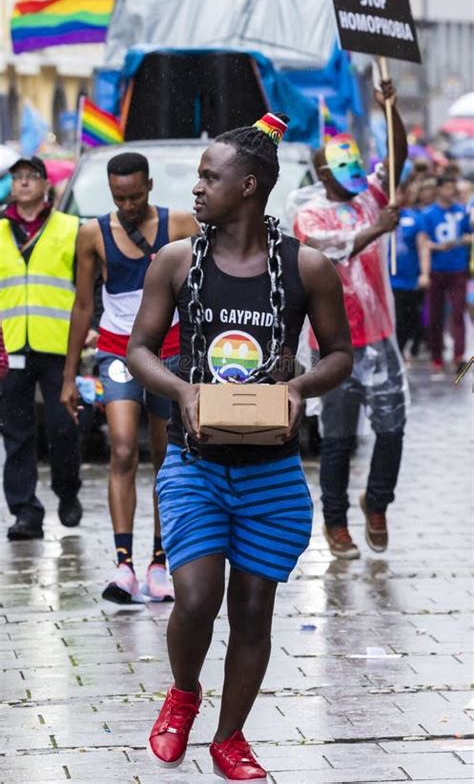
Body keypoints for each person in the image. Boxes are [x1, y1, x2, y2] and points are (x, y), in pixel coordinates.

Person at [127, 113, 353, 781]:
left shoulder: (305, 266)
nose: (195, 189)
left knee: (254, 606)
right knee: (196, 597)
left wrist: (300, 387)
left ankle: (231, 738)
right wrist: (182, 390)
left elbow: (341, 354)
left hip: (272, 473)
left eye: (208, 177)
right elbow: (139, 349)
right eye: (198, 177)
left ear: (249, 186)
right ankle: (184, 694)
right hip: (196, 465)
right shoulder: (175, 261)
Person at [61, 152, 199, 607]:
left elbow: (203, 291)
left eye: (136, 196)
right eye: (119, 197)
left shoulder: (180, 225)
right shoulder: (92, 234)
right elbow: (83, 305)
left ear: (151, 186)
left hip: (170, 352)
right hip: (118, 350)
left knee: (165, 457)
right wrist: (69, 376)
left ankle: (160, 562)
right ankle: (124, 565)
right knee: (122, 448)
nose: (128, 205)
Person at [288, 79, 408, 559]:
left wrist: (390, 109)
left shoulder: (370, 198)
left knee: (392, 429)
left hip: (379, 339)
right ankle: (336, 523)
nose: (354, 171)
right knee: (337, 440)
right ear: (322, 171)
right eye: (342, 165)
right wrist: (376, 228)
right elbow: (331, 248)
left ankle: (376, 502)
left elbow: (396, 160)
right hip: (333, 344)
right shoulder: (309, 213)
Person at [0, 155, 82, 540]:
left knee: (63, 427)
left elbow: (88, 286)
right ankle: (25, 511)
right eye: (18, 177)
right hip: (9, 344)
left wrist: (92, 327)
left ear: (46, 184)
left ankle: (67, 490)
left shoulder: (70, 228)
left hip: (59, 345)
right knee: (16, 432)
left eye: (32, 176)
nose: (25, 182)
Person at [423, 175, 472, 373]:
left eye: (454, 188)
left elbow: (470, 236)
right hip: (436, 270)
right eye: (448, 187)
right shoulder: (428, 214)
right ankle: (437, 357)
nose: (451, 191)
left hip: (458, 268)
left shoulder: (461, 212)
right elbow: (423, 242)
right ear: (439, 189)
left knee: (458, 312)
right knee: (435, 315)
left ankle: (459, 356)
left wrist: (459, 242)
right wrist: (437, 246)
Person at [390, 183, 430, 360]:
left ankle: (402, 348)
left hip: (409, 279)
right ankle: (395, 353)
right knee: (395, 319)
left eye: (399, 193)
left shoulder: (415, 219)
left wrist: (425, 273)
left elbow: (423, 248)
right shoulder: (379, 218)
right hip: (388, 281)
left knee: (409, 319)